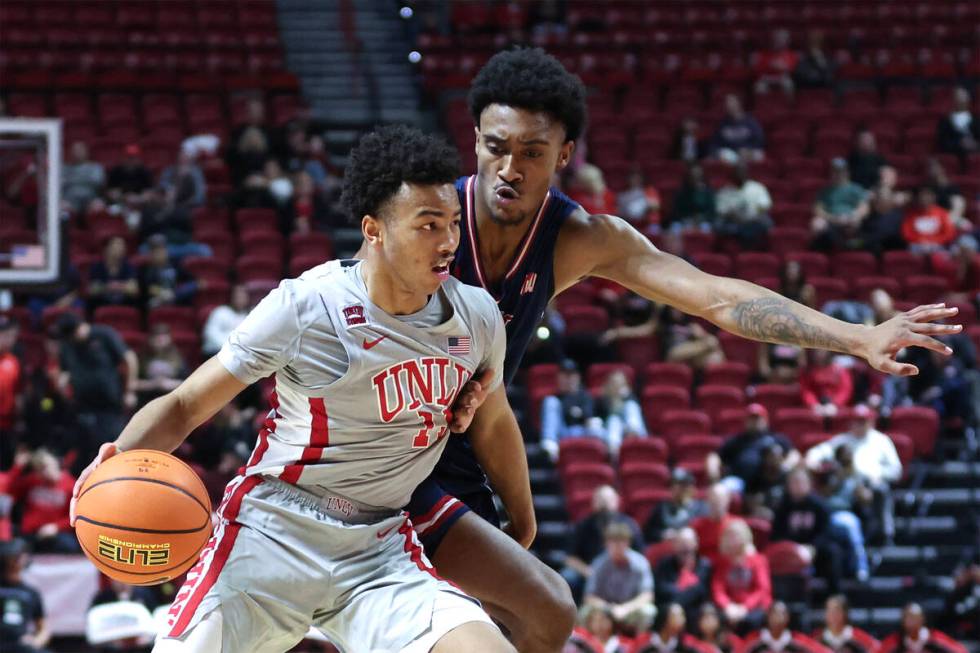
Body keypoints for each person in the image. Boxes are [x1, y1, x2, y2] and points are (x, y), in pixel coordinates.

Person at [401, 47, 961, 651]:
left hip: (459, 449)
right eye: (495, 147)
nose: (509, 168)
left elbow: (715, 299)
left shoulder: (580, 238)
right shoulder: (426, 218)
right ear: (476, 138)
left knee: (540, 618)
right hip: (378, 437)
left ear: (564, 156)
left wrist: (858, 337)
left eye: (532, 153)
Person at [70, 125, 517, 652]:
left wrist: (520, 516)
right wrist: (117, 459)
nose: (448, 242)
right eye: (427, 225)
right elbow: (188, 403)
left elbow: (493, 417)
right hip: (273, 533)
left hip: (378, 550)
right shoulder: (306, 308)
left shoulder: (479, 317)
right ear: (374, 230)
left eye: (453, 224)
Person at [51, 312, 138, 472]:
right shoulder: (68, 345)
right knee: (85, 450)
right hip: (83, 406)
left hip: (109, 405)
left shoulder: (104, 335)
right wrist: (62, 383)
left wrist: (129, 390)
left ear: (78, 329)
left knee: (111, 448)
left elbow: (129, 358)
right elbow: (65, 370)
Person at [562, 485, 644, 602]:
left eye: (608, 499)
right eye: (601, 499)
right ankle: (573, 616)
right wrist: (589, 571)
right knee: (568, 577)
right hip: (589, 571)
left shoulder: (630, 525)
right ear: (593, 502)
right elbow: (569, 558)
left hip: (623, 569)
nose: (604, 503)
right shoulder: (583, 525)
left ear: (617, 501)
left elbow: (640, 556)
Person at [771, 467, 844, 593]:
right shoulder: (782, 507)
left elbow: (827, 532)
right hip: (790, 550)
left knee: (833, 552)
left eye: (801, 482)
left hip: (815, 550)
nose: (797, 486)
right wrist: (792, 548)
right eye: (794, 482)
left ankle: (834, 595)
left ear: (809, 484)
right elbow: (777, 534)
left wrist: (813, 548)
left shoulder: (820, 505)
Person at [708, 403, 800, 497]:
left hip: (771, 482)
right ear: (746, 421)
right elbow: (715, 456)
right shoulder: (736, 440)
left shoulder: (776, 438)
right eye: (751, 418)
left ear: (766, 420)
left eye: (758, 418)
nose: (755, 422)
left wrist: (786, 466)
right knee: (719, 490)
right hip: (740, 481)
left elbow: (794, 454)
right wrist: (713, 471)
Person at [583, 522, 656, 633]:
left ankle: (639, 647)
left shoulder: (641, 562)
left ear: (628, 543)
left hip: (630, 608)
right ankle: (591, 647)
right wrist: (609, 608)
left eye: (621, 541)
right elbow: (589, 597)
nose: (617, 546)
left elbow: (647, 595)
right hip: (605, 608)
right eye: (613, 542)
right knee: (584, 613)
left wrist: (625, 608)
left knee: (648, 612)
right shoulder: (598, 563)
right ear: (606, 544)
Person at [6, 449, 79, 553]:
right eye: (39, 470)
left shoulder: (71, 485)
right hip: (29, 533)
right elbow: (8, 489)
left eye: (46, 467)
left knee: (68, 545)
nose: (44, 472)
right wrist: (18, 467)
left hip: (56, 534)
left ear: (55, 463)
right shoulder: (33, 481)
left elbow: (76, 515)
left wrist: (56, 527)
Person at [712, 519, 771, 635]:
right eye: (730, 536)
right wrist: (727, 606)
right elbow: (718, 588)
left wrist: (744, 608)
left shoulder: (758, 560)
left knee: (750, 621)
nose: (734, 540)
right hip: (731, 607)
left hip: (754, 607)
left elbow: (762, 589)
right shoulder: (722, 561)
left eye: (737, 535)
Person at [540, 358, 602, 461]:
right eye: (564, 375)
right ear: (558, 377)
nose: (568, 379)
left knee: (596, 426)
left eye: (571, 375)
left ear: (577, 377)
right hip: (563, 432)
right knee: (550, 401)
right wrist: (575, 412)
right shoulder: (555, 397)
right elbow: (568, 417)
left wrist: (578, 414)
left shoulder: (585, 396)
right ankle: (550, 442)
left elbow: (588, 415)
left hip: (583, 431)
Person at [0, 539, 52, 653]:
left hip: (21, 645)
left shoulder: (31, 593)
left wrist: (36, 642)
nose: (17, 561)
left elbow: (43, 629)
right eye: (15, 557)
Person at [810, 158, 870, 252]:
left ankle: (852, 247)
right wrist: (832, 218)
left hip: (850, 218)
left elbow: (864, 208)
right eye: (835, 171)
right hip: (831, 219)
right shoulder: (825, 191)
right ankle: (819, 251)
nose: (838, 174)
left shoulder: (856, 189)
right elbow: (818, 209)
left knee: (855, 221)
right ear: (831, 173)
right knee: (816, 224)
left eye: (841, 171)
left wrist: (853, 215)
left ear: (847, 172)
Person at [652, 527, 712, 618]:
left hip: (694, 610)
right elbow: (661, 588)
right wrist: (681, 591)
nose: (685, 547)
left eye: (688, 543)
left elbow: (699, 591)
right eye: (681, 543)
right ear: (675, 545)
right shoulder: (665, 563)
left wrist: (676, 599)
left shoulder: (704, 565)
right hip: (668, 610)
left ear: (696, 543)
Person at [715, 163, 773, 250]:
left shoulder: (757, 188)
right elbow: (721, 210)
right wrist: (732, 213)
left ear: (747, 173)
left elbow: (765, 205)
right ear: (733, 174)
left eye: (742, 172)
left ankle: (747, 241)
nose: (740, 175)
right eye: (737, 172)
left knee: (766, 223)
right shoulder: (725, 191)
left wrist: (755, 214)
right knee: (720, 226)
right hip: (734, 223)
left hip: (754, 221)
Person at [643, 468, 706, 543]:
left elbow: (704, 533)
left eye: (682, 486)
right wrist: (662, 534)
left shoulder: (700, 508)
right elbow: (648, 533)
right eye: (673, 485)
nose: (677, 490)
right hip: (666, 550)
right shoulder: (661, 508)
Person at [740, 601, 829, 653]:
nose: (778, 618)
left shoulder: (798, 641)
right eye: (774, 614)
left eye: (782, 614)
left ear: (788, 617)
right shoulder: (754, 640)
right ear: (768, 617)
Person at [595, 370, 648, 457]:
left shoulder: (631, 399)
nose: (617, 386)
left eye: (620, 383)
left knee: (631, 406)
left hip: (634, 433)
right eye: (614, 383)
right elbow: (599, 422)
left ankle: (633, 432)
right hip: (610, 435)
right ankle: (614, 452)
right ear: (608, 385)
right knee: (614, 420)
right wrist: (614, 402)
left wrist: (624, 398)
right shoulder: (601, 401)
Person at [878, 603, 968, 653]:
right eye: (907, 617)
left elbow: (960, 650)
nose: (911, 621)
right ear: (903, 621)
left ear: (922, 620)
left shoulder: (936, 638)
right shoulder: (895, 641)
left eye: (914, 618)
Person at [690, 484, 739, 563]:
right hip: (703, 569)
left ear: (728, 500)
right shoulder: (696, 525)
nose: (716, 503)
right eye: (713, 500)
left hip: (728, 568)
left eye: (720, 500)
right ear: (707, 500)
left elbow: (748, 551)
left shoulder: (737, 525)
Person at [87, 235, 140, 310]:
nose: (120, 249)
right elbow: (92, 290)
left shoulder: (128, 267)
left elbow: (134, 289)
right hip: (102, 303)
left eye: (122, 246)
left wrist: (117, 286)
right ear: (107, 249)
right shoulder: (97, 267)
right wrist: (108, 287)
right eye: (116, 246)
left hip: (124, 303)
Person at [708, 95, 765, 163]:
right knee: (724, 155)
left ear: (739, 103)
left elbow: (759, 140)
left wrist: (749, 149)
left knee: (759, 155)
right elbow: (715, 143)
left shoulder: (750, 122)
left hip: (748, 152)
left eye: (731, 102)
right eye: (727, 103)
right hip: (732, 155)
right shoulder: (723, 124)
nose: (729, 105)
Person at [813, 595, 879, 653]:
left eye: (837, 610)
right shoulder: (817, 637)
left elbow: (877, 648)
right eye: (829, 610)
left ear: (845, 613)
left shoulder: (857, 635)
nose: (832, 614)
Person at [901, 187, 959, 253]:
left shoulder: (942, 213)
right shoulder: (911, 214)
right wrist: (921, 240)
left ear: (933, 197)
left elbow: (949, 233)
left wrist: (934, 241)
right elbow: (906, 233)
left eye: (928, 196)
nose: (925, 198)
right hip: (918, 245)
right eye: (922, 196)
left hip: (938, 245)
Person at [630, 603, 706, 653]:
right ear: (664, 619)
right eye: (677, 616)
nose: (683, 620)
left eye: (683, 615)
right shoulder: (644, 641)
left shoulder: (686, 643)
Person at [202, 284, 252, 357]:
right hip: (216, 352)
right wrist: (231, 348)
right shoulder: (220, 312)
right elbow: (210, 334)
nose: (240, 299)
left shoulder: (249, 315)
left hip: (239, 355)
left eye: (243, 296)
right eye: (238, 296)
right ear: (231, 297)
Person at [801, 349, 853, 418]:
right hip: (814, 409)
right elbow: (806, 390)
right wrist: (814, 404)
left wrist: (835, 404)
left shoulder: (839, 370)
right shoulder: (808, 371)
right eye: (817, 351)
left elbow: (845, 389)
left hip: (836, 408)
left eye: (822, 351)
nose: (819, 354)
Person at [61, 141, 105, 214]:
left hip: (91, 198)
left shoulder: (95, 167)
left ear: (86, 152)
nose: (77, 153)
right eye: (75, 150)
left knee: (98, 206)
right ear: (70, 152)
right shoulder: (64, 168)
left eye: (80, 150)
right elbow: (61, 183)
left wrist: (72, 179)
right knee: (61, 207)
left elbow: (98, 182)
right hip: (70, 199)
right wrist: (85, 179)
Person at [935, 87, 979, 159]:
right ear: (954, 100)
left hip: (974, 156)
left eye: (964, 98)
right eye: (959, 98)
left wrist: (974, 144)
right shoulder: (945, 121)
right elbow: (942, 143)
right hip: (954, 155)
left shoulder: (976, 120)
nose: (962, 101)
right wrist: (960, 143)